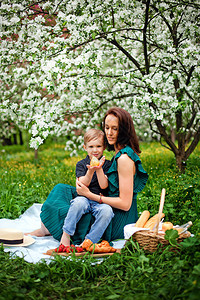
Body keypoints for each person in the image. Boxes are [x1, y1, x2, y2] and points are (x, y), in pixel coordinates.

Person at [27, 107, 148, 245]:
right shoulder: (117, 154)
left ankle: (59, 232)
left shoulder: (124, 158)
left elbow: (125, 205)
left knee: (82, 209)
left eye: (115, 128)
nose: (109, 133)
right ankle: (45, 228)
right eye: (107, 127)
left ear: (124, 130)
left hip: (118, 217)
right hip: (103, 197)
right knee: (61, 189)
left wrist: (90, 195)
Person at [60, 128, 113, 246]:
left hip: (99, 200)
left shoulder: (108, 164)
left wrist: (99, 169)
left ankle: (89, 241)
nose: (95, 150)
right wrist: (90, 171)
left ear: (104, 147)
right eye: (91, 147)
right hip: (83, 197)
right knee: (78, 204)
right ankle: (66, 234)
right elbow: (82, 184)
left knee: (107, 211)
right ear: (85, 148)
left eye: (98, 146)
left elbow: (104, 186)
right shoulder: (81, 164)